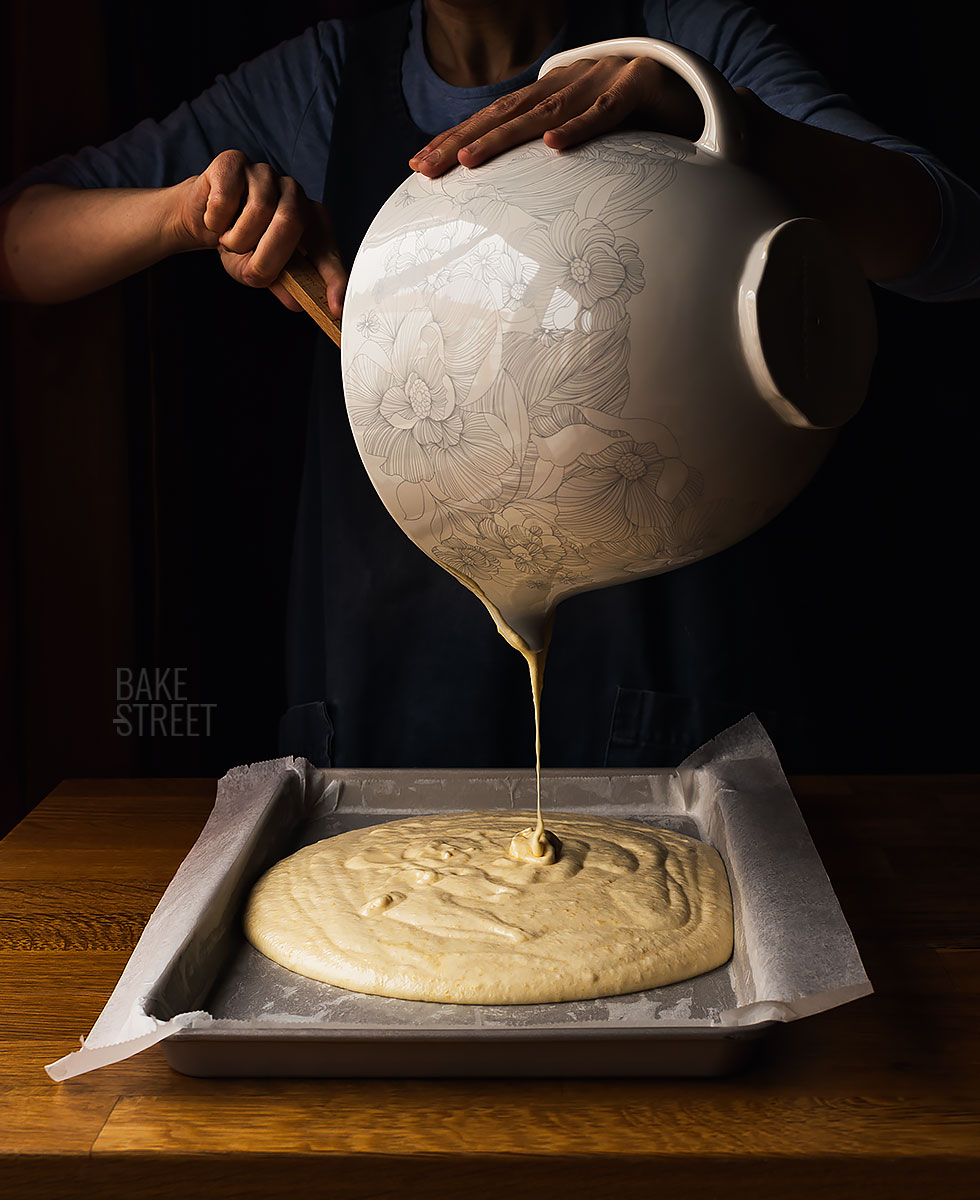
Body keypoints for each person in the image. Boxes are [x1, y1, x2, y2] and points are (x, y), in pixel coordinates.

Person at [2, 0, 978, 773]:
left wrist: (733, 127)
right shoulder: (327, 80)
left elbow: (951, 248)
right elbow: (24, 243)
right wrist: (192, 211)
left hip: (672, 693)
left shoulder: (681, 40)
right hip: (383, 692)